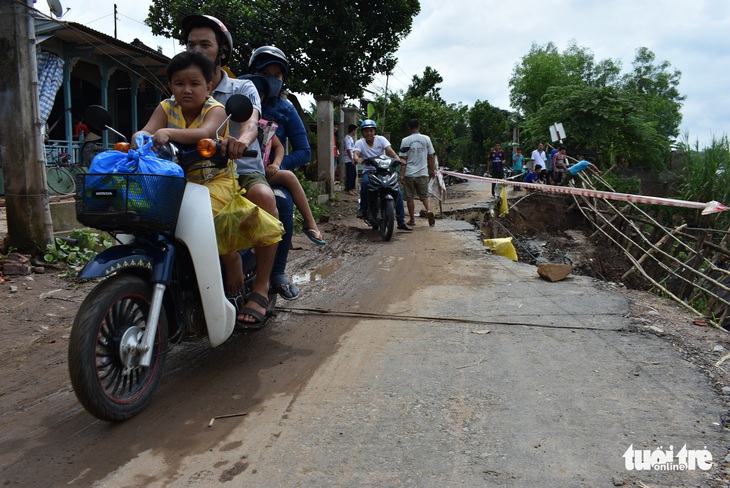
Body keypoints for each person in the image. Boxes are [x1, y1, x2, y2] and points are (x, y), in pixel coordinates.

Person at [132, 51, 256, 322]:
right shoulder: (166, 107)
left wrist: (168, 133)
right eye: (179, 83)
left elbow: (205, 133)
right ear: (170, 86)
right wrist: (138, 136)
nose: (186, 90)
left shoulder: (215, 108)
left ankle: (230, 257)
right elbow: (146, 130)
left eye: (194, 84)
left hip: (214, 180)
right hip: (175, 182)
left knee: (205, 217)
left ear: (208, 87)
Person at [183, 14, 280, 326]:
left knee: (265, 198)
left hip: (240, 167)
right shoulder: (185, 87)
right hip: (192, 170)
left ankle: (262, 288)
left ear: (221, 51)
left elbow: (251, 120)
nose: (196, 49)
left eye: (205, 44)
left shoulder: (243, 87)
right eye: (191, 44)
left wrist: (241, 140)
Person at [248, 45, 312, 300]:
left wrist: (276, 166)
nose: (272, 80)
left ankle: (276, 273)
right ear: (253, 73)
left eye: (278, 76)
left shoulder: (286, 109)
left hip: (269, 172)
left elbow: (304, 151)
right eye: (265, 73)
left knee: (282, 202)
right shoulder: (237, 96)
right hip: (231, 169)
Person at [239, 73, 326, 246]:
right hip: (233, 171)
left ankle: (309, 221)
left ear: (262, 98)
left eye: (257, 94)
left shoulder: (264, 125)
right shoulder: (226, 119)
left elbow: (278, 147)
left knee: (289, 177)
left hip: (261, 171)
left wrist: (277, 164)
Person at [354, 119, 412, 231]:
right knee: (365, 183)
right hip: (370, 171)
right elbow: (356, 153)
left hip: (385, 170)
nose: (369, 133)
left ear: (374, 131)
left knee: (397, 190)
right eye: (366, 131)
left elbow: (389, 150)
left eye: (371, 130)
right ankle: (363, 209)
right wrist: (357, 159)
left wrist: (397, 159)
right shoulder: (360, 143)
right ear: (363, 132)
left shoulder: (381, 139)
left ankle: (401, 221)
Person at [398, 118, 436, 227]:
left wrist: (401, 174)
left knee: (409, 198)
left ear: (409, 128)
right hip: (423, 172)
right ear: (419, 127)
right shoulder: (426, 139)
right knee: (424, 195)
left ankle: (412, 220)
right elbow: (431, 156)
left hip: (409, 173)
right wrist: (432, 170)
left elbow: (403, 159)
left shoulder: (405, 140)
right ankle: (428, 210)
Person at [343, 124, 357, 196]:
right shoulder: (347, 138)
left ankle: (352, 188)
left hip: (351, 158)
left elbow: (352, 150)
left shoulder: (351, 138)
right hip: (348, 159)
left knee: (354, 174)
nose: (355, 132)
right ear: (353, 130)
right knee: (350, 174)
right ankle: (349, 189)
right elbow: (348, 150)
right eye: (355, 130)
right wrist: (351, 159)